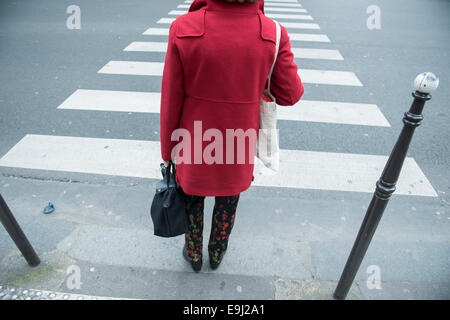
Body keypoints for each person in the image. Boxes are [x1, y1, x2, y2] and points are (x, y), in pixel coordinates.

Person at [160, 0, 304, 272]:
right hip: (239, 139)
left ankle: (193, 254)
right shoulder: (272, 33)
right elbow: (290, 94)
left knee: (192, 196)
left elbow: (171, 99)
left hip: (195, 138)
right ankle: (217, 251)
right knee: (229, 198)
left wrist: (168, 150)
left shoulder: (183, 28)